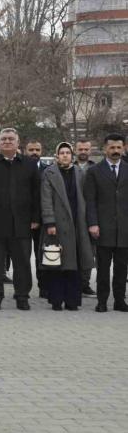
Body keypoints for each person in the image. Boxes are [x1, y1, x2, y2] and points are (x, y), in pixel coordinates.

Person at [0, 128, 41, 311]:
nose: (7, 141)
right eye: (3, 139)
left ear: (17, 143)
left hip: (22, 223)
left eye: (11, 139)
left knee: (23, 263)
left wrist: (36, 217)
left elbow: (37, 193)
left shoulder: (29, 164)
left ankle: (22, 297)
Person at [39, 142, 94, 311]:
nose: (65, 155)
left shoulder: (79, 172)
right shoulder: (49, 172)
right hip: (57, 224)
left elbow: (86, 196)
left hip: (77, 224)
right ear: (57, 155)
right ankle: (56, 300)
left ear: (72, 155)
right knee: (56, 263)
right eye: (61, 152)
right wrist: (50, 222)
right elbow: (46, 199)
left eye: (67, 153)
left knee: (74, 264)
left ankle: (72, 301)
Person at [83, 133, 128, 312]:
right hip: (102, 228)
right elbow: (90, 200)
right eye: (112, 147)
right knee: (103, 268)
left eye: (118, 147)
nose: (115, 150)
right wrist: (93, 223)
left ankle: (119, 301)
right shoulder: (94, 171)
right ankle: (102, 301)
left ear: (123, 148)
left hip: (124, 229)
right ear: (104, 149)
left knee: (122, 268)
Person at [26, 140, 49, 298]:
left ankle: (44, 287)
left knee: (41, 254)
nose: (34, 152)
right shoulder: (20, 168)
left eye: (37, 149)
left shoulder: (48, 170)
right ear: (25, 151)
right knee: (23, 256)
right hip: (23, 219)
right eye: (31, 149)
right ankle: (23, 288)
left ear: (42, 151)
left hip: (43, 219)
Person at [74, 139, 97, 297]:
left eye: (86, 149)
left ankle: (84, 284)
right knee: (72, 251)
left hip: (90, 215)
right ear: (75, 150)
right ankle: (73, 284)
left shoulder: (96, 169)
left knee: (88, 251)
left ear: (90, 150)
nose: (83, 152)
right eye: (80, 149)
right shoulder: (69, 167)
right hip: (72, 215)